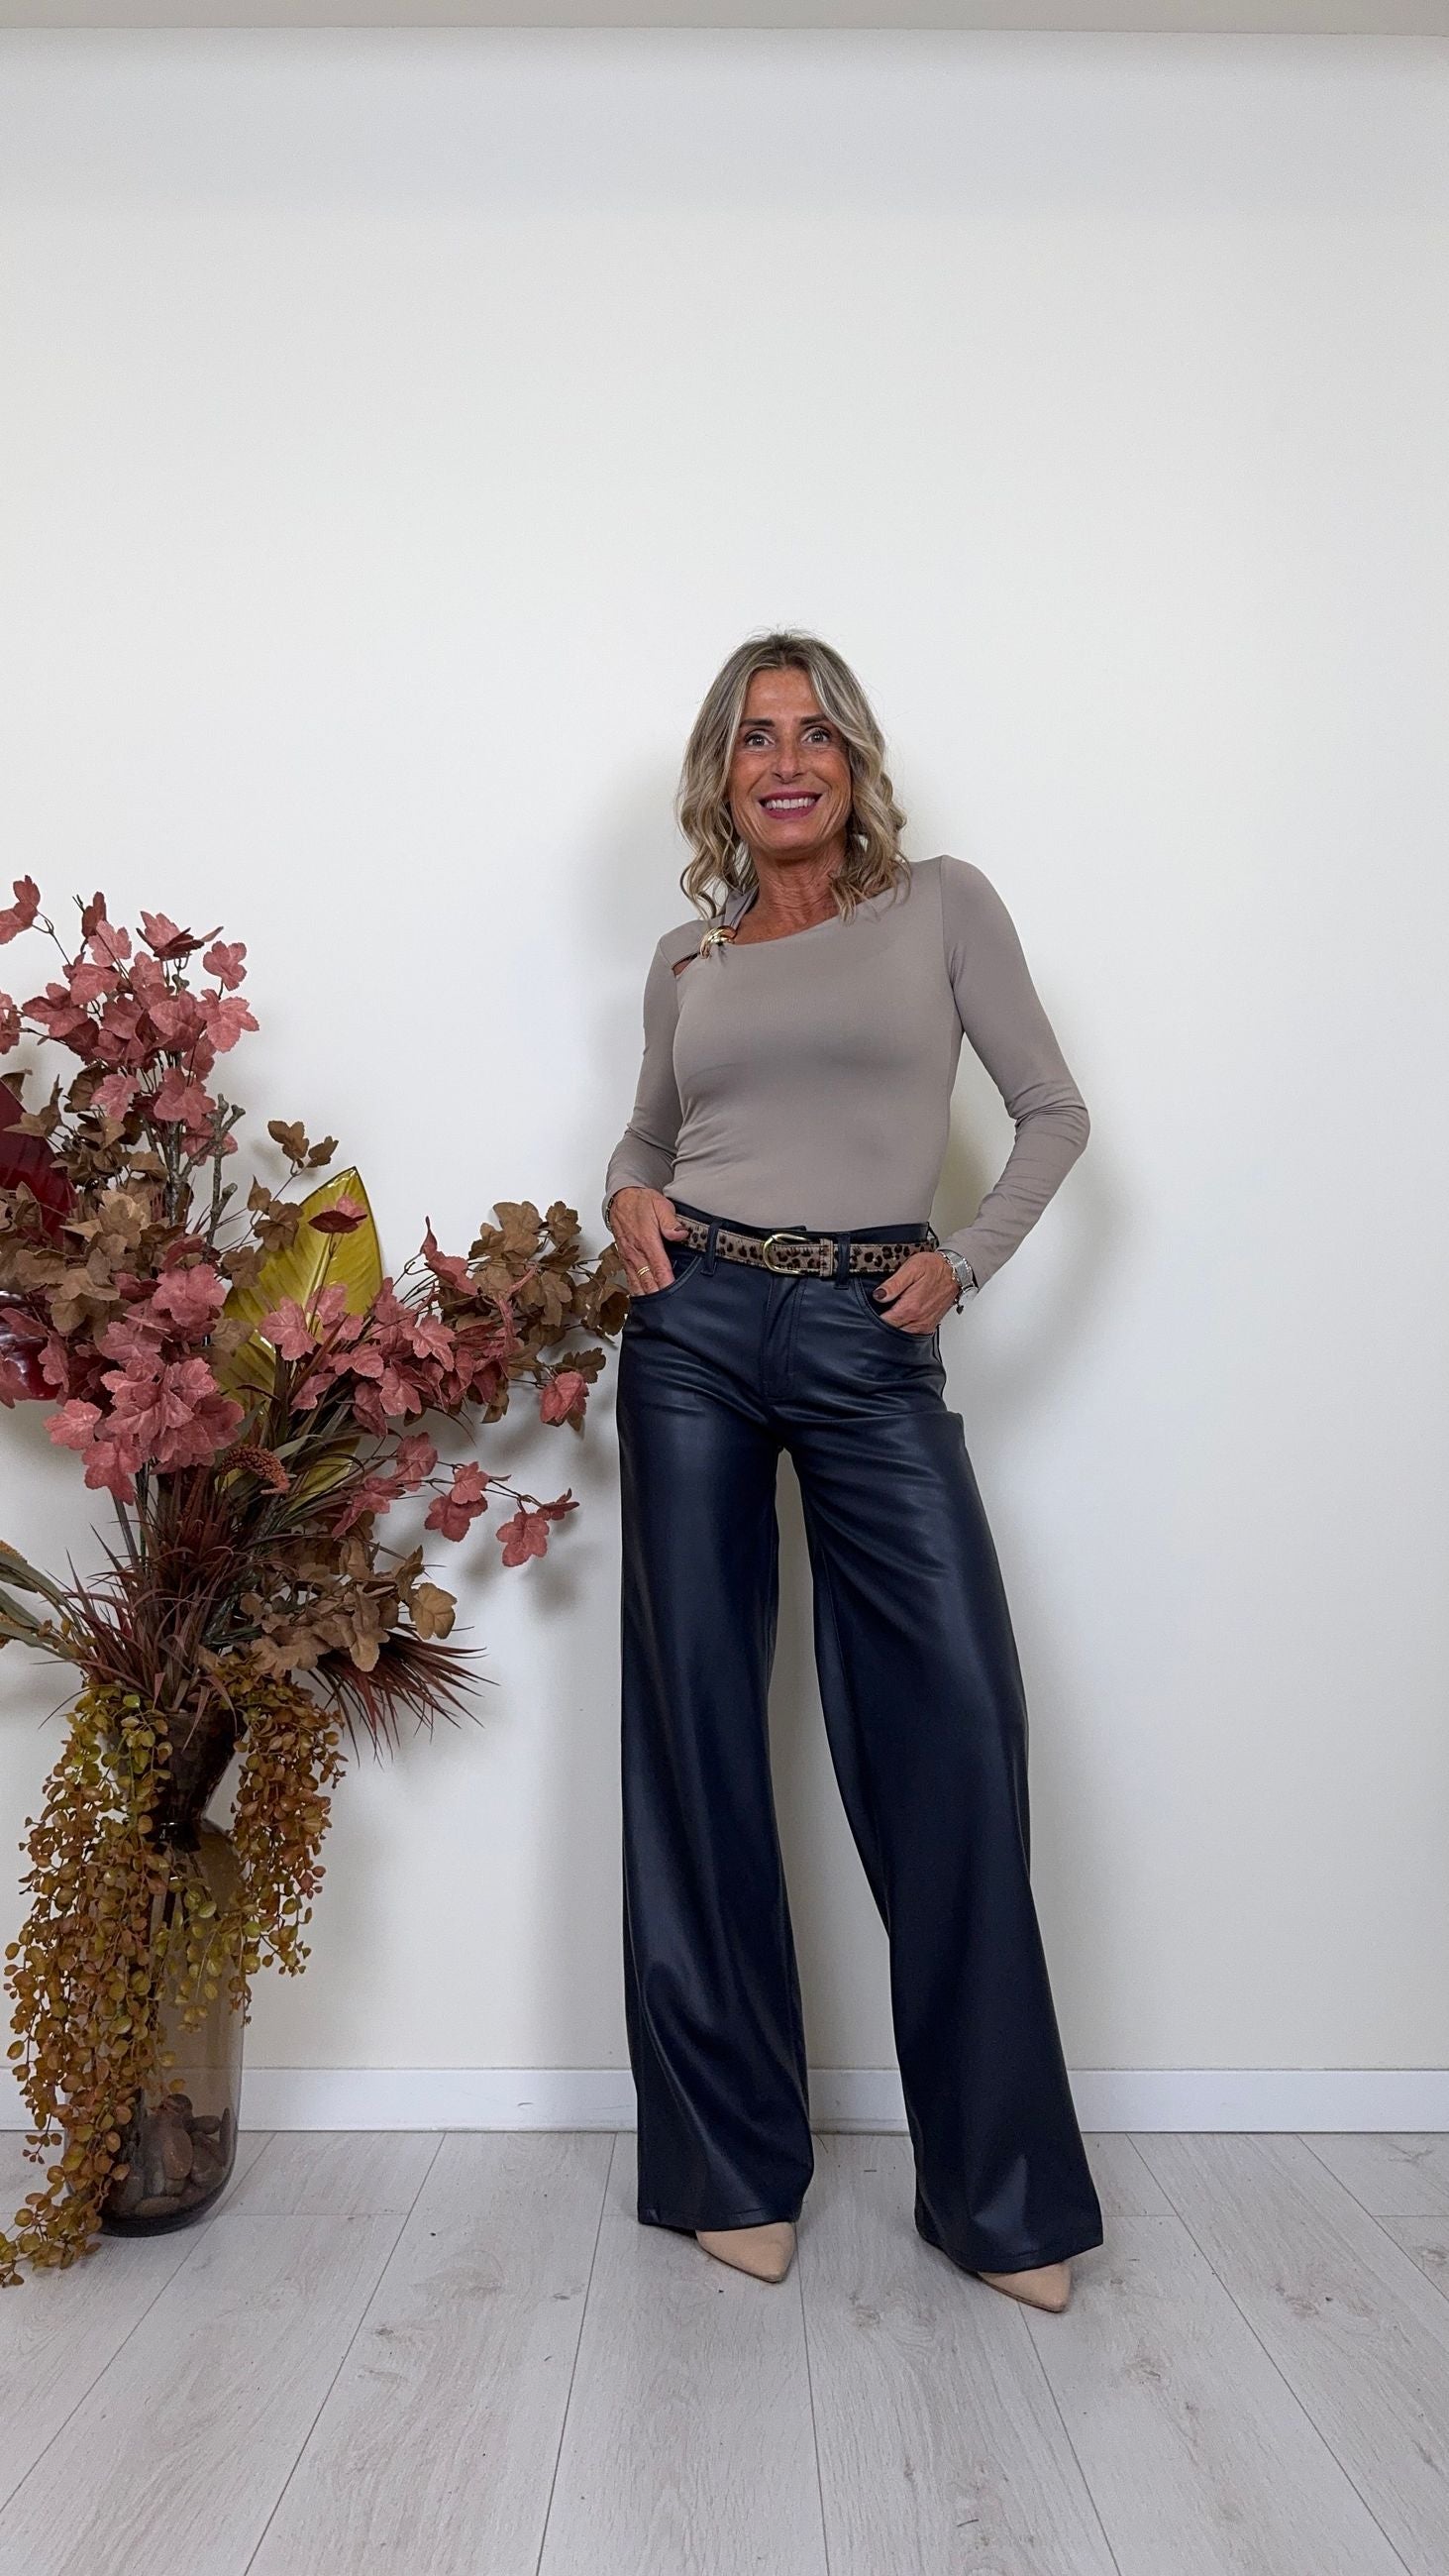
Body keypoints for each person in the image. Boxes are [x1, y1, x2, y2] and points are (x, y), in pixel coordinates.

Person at [601, 629, 1103, 2312]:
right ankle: (728, 2166)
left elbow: (1051, 1112)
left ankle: (1000, 2195)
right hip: (691, 1331)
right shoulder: (688, 958)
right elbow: (651, 1135)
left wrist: (966, 1260)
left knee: (953, 1722)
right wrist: (626, 1195)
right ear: (722, 776)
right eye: (756, 737)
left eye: (814, 733)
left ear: (855, 762)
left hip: (871, 1328)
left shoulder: (943, 907)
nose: (787, 760)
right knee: (696, 1729)